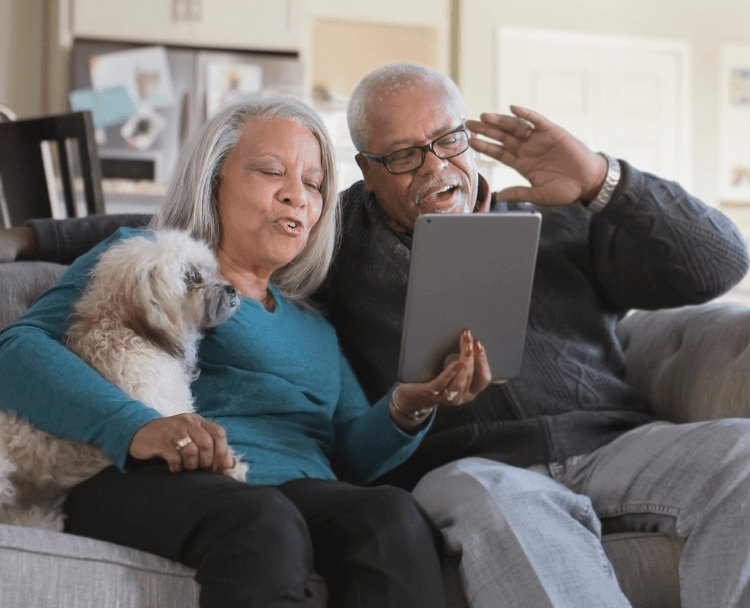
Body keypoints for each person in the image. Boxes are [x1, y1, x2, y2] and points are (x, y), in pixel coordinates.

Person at [2, 62, 750, 607]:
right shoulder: (194, 259)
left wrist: (601, 181)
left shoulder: (319, 320)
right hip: (453, 472)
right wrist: (28, 238)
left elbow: (719, 263)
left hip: (602, 440)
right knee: (298, 521)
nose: (434, 166)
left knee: (392, 518)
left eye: (448, 139)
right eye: (402, 155)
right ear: (368, 172)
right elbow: (120, 265)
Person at [0, 96, 492, 608]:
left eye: (314, 183)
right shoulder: (152, 258)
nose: (296, 197)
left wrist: (409, 404)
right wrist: (135, 425)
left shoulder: (315, 326)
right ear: (215, 181)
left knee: (392, 516)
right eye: (271, 172)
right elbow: (16, 349)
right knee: (264, 521)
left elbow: (352, 453)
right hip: (162, 479)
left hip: (298, 493)